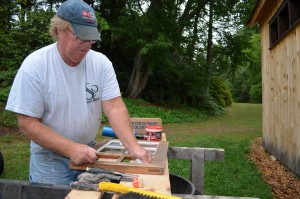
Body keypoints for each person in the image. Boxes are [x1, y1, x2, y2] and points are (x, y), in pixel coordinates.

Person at [5, 0, 152, 185]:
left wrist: (134, 147)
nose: (87, 45)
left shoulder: (101, 63)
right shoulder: (35, 66)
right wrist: (70, 148)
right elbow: (27, 122)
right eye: (81, 38)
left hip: (88, 151)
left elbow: (114, 107)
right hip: (50, 160)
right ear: (59, 30)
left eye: (91, 39)